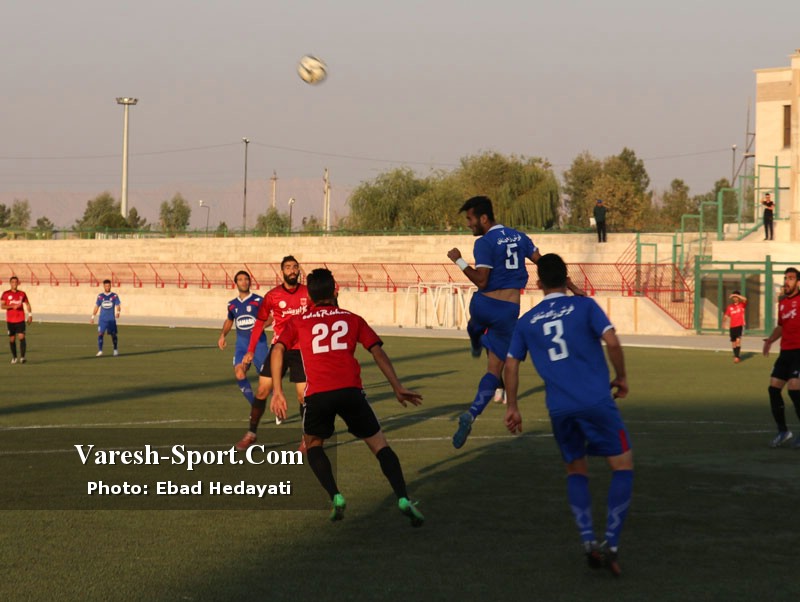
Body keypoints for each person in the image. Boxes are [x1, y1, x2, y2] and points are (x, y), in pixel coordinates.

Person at [503, 253, 632, 576]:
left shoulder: (527, 321)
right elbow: (612, 342)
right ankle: (612, 543)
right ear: (566, 278)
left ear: (538, 283)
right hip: (597, 401)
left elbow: (511, 365)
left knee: (576, 471)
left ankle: (588, 540)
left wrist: (513, 406)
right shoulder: (585, 306)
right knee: (622, 466)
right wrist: (621, 376)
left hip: (560, 408)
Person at [269, 268, 425, 526]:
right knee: (380, 445)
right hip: (351, 392)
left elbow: (278, 349)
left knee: (313, 445)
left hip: (317, 394)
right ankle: (403, 498)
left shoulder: (298, 321)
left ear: (310, 296)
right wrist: (396, 386)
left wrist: (277, 391)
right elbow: (377, 351)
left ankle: (336, 496)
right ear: (335, 290)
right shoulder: (353, 318)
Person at [447, 195, 584, 449]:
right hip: (508, 311)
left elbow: (482, 281)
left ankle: (476, 338)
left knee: (476, 323)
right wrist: (573, 287)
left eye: (470, 219)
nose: (468, 224)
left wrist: (458, 260)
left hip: (483, 304)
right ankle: (473, 412)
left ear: (483, 218)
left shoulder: (484, 242)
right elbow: (546, 266)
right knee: (494, 370)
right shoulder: (520, 238)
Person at [240, 256, 309, 450]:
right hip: (279, 348)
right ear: (282, 272)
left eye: (295, 267)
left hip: (301, 350)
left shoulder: (308, 293)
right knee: (262, 390)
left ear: (299, 270)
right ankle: (251, 433)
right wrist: (251, 350)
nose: (292, 270)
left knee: (303, 397)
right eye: (288, 267)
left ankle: (306, 438)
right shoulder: (272, 295)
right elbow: (260, 323)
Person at [218, 270, 269, 407]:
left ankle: (278, 406)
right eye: (240, 279)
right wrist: (222, 335)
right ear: (236, 283)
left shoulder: (258, 301)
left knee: (267, 380)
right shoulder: (232, 304)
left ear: (250, 282)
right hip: (242, 346)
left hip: (259, 345)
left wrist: (262, 326)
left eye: (246, 279)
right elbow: (229, 320)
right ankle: (255, 405)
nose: (244, 282)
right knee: (239, 373)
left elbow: (271, 317)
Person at [762, 267, 800, 448]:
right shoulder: (783, 302)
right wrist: (770, 340)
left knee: (794, 388)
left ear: (798, 282)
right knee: (773, 389)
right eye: (786, 278)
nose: (787, 281)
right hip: (785, 352)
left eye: (791, 278)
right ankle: (783, 431)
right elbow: (781, 326)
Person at [2, 276, 33, 364]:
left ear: (18, 283)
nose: (14, 284)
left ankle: (22, 357)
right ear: (10, 283)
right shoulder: (6, 294)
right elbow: (2, 306)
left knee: (21, 337)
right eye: (13, 282)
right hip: (10, 320)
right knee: (12, 339)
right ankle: (14, 357)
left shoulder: (22, 294)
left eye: (16, 282)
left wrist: (30, 315)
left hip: (20, 319)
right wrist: (12, 306)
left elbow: (27, 304)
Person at [90, 279, 121, 356]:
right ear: (104, 286)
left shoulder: (114, 296)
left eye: (109, 286)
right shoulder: (100, 296)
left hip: (111, 319)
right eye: (106, 286)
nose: (107, 287)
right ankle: (100, 351)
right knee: (100, 334)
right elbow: (97, 307)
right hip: (102, 319)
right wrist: (92, 317)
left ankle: (115, 350)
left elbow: (118, 305)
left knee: (113, 335)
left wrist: (118, 312)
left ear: (110, 286)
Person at [723, 290, 747, 363]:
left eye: (736, 297)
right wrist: (723, 323)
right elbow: (726, 315)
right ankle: (736, 355)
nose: (735, 298)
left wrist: (736, 295)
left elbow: (745, 299)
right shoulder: (730, 307)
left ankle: (737, 357)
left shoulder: (742, 305)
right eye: (734, 297)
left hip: (739, 325)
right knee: (733, 342)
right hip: (732, 326)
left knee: (738, 341)